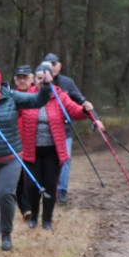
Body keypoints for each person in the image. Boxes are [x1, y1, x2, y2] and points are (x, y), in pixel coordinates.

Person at [0, 65, 49, 252]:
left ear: (0, 82)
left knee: (4, 194)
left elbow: (38, 100)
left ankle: (6, 233)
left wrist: (46, 87)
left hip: (10, 158)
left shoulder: (12, 97)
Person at [17, 63, 94, 231]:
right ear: (33, 80)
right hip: (31, 151)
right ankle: (34, 216)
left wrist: (85, 110)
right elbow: (13, 112)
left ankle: (47, 220)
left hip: (53, 151)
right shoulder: (27, 96)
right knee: (31, 186)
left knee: (50, 185)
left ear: (51, 79)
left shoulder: (59, 96)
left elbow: (74, 111)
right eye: (38, 78)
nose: (42, 81)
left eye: (45, 78)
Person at [42, 53, 96, 204]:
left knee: (65, 159)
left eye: (54, 64)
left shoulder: (67, 83)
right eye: (48, 64)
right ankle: (46, 190)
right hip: (44, 131)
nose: (52, 67)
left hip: (64, 128)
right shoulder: (39, 82)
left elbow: (81, 101)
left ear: (60, 65)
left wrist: (94, 118)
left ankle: (62, 191)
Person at [11, 65, 36, 224]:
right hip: (15, 143)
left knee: (32, 178)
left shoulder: (37, 94)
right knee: (19, 179)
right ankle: (26, 209)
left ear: (31, 78)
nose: (22, 80)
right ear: (15, 79)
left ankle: (35, 205)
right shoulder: (10, 96)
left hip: (35, 143)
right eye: (19, 77)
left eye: (25, 77)